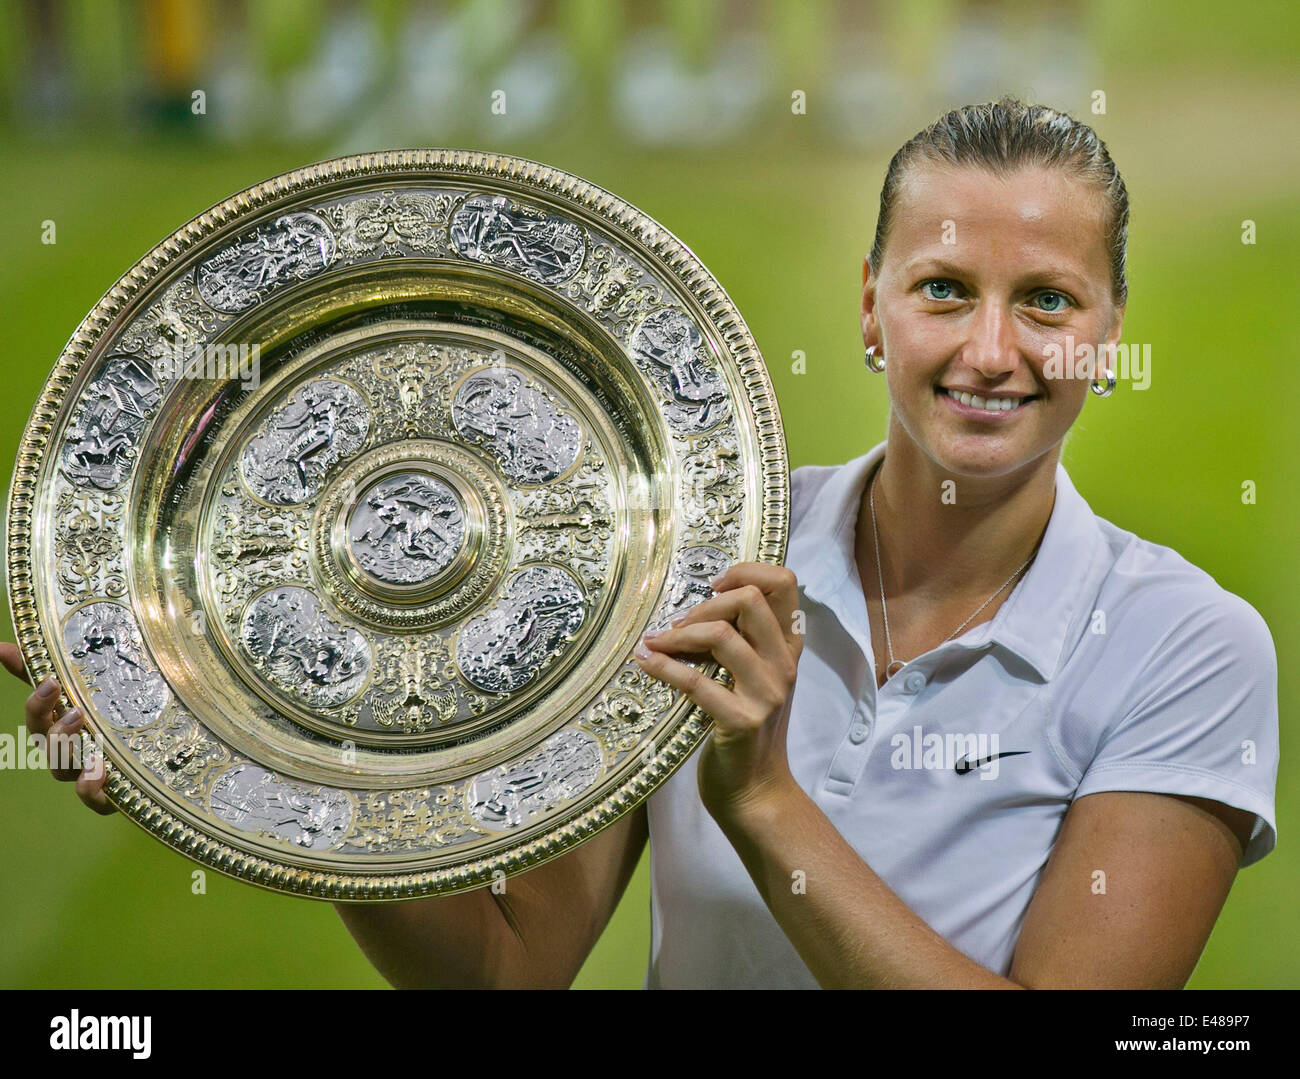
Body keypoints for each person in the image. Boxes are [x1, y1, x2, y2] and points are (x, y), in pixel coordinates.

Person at [3, 98, 1278, 990]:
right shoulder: (694, 553)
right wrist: (262, 756)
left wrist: (765, 802)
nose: (991, 350)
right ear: (870, 309)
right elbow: (509, 970)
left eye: (1046, 300)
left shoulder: (1188, 648)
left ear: (1107, 336)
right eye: (942, 289)